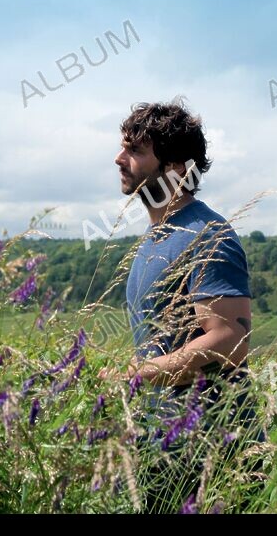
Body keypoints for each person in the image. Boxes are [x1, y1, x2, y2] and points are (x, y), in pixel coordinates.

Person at [100, 99, 262, 512]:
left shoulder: (208, 235)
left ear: (173, 167)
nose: (119, 159)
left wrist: (134, 374)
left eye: (135, 150)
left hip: (209, 448)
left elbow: (229, 340)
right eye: (123, 147)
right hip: (162, 446)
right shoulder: (155, 238)